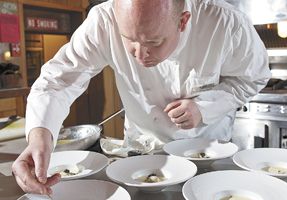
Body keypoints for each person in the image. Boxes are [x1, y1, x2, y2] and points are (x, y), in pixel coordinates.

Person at [12, 0, 271, 195]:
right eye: (129, 40)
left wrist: (205, 107)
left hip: (208, 152)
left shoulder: (225, 23)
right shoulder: (103, 21)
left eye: (154, 42)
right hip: (139, 154)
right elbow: (57, 81)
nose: (140, 54)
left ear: (183, 21)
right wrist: (39, 139)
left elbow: (253, 78)